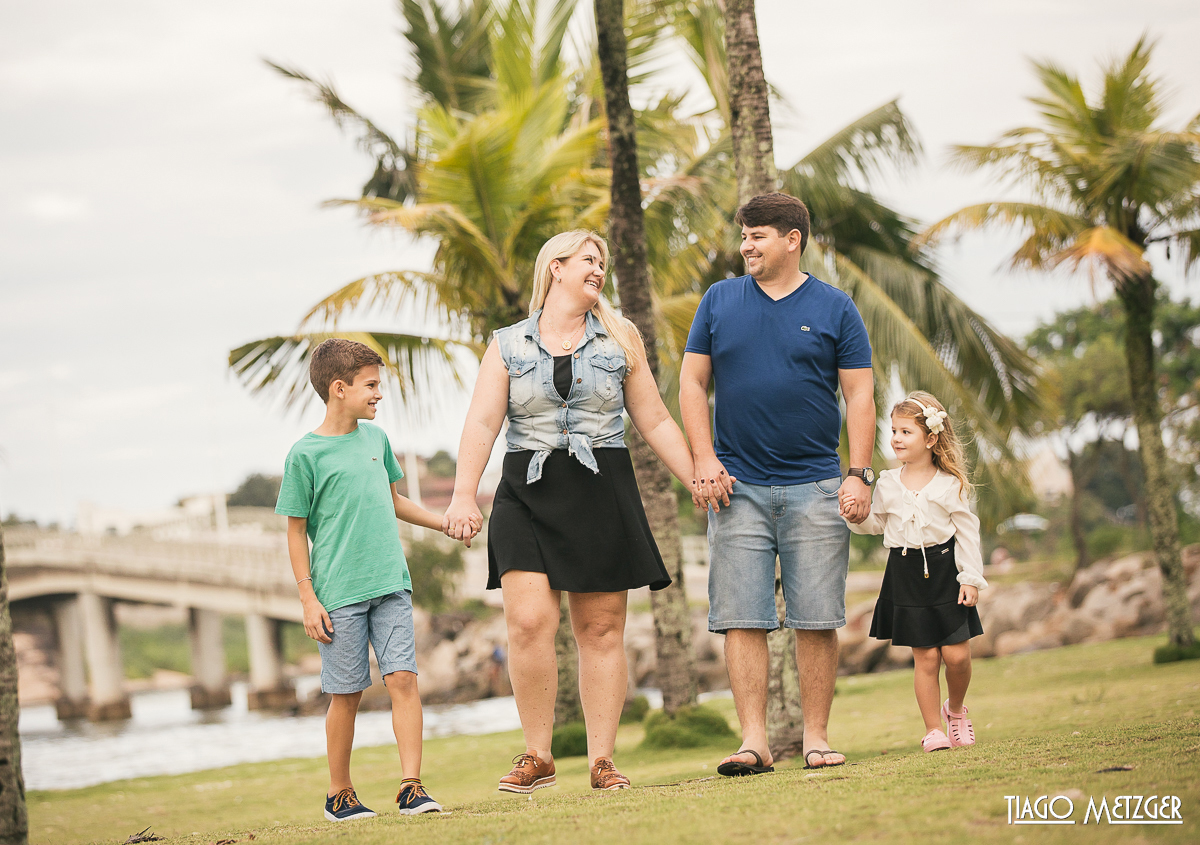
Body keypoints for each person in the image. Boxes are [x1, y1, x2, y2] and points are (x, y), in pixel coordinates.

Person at [442, 230, 702, 792]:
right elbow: (483, 422)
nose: (600, 269)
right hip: (525, 487)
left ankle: (601, 760)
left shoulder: (620, 336)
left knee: (601, 629)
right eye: (589, 260)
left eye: (603, 261)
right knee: (530, 621)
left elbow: (653, 420)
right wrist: (464, 493)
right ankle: (537, 754)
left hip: (599, 485)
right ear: (555, 268)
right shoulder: (508, 343)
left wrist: (696, 477)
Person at [679, 192, 876, 774]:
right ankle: (754, 743)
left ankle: (815, 738)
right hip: (735, 488)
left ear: (793, 239)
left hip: (817, 485)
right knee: (742, 616)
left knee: (817, 617)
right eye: (743, 234)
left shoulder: (837, 307)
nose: (745, 245)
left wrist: (859, 474)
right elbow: (693, 384)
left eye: (757, 234)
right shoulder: (719, 300)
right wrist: (704, 459)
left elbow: (859, 393)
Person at [276, 338, 467, 820]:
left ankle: (411, 786)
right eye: (371, 386)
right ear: (339, 389)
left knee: (403, 678)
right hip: (338, 593)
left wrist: (442, 522)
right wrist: (308, 598)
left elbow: (395, 501)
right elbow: (295, 531)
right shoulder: (305, 455)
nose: (379, 394)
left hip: (391, 584)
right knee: (347, 693)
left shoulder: (377, 442)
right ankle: (339, 793)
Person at [845, 391, 986, 752]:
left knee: (957, 656)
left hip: (946, 572)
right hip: (904, 572)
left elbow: (968, 533)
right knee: (925, 657)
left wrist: (970, 577)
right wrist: (853, 516)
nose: (895, 438)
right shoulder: (888, 483)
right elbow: (875, 523)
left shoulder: (950, 484)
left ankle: (955, 710)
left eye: (906, 431)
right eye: (893, 430)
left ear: (932, 438)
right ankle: (933, 730)